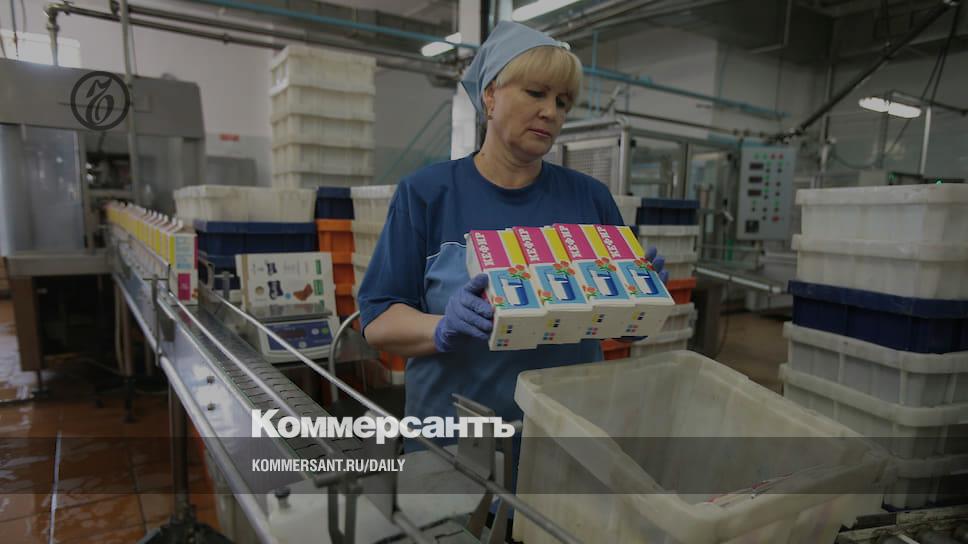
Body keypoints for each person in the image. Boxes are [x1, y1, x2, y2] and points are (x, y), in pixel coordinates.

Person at [357, 21, 666, 445]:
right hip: (457, 437)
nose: (551, 112)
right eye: (536, 93)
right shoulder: (428, 194)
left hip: (563, 436)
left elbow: (619, 328)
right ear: (490, 95)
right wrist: (441, 327)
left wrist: (639, 301)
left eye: (562, 102)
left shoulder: (589, 199)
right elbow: (378, 320)